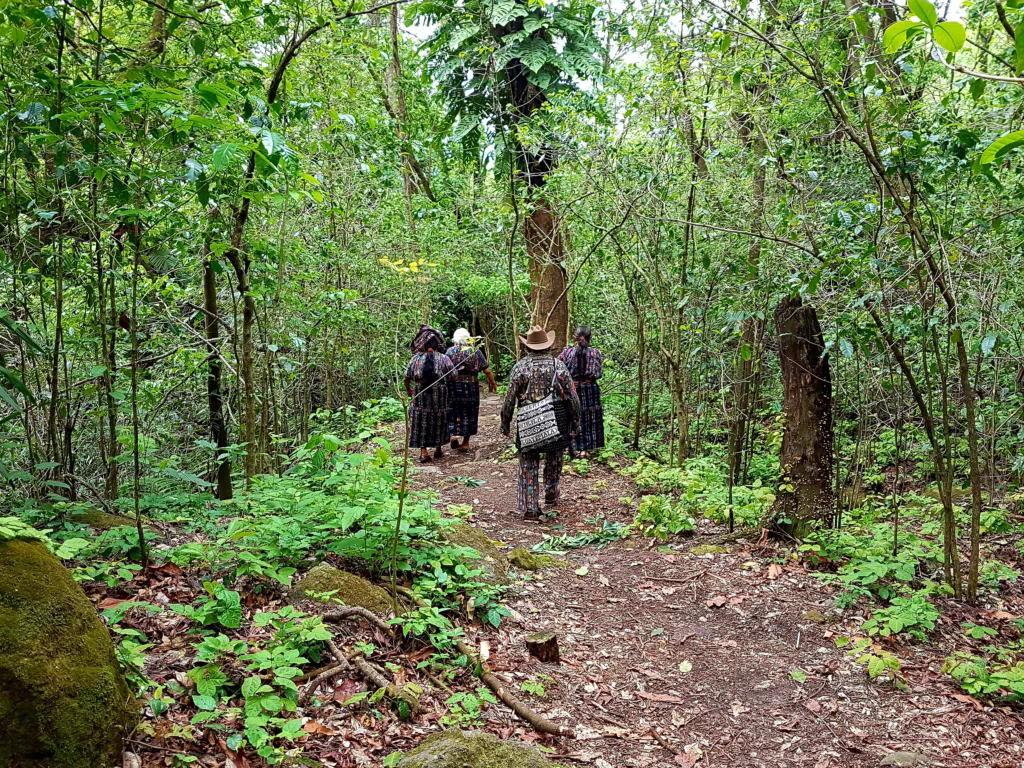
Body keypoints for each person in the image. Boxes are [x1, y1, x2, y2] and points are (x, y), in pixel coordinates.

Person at [501, 326, 580, 521]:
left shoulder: (520, 367)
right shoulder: (558, 366)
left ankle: (530, 505)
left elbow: (509, 398)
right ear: (548, 346)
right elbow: (572, 396)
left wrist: (505, 422)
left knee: (528, 461)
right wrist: (576, 420)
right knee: (554, 457)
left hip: (527, 421)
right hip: (556, 418)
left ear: (528, 347)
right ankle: (551, 491)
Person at [404, 324, 456, 463]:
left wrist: (409, 390)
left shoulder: (415, 359)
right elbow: (453, 376)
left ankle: (424, 452)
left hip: (420, 393)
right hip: (439, 393)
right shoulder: (444, 359)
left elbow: (406, 377)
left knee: (420, 420)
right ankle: (438, 449)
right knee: (439, 418)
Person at [446, 328, 498, 453]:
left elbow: (444, 369)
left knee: (452, 411)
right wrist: (493, 383)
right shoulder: (475, 352)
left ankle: (452, 435)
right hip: (471, 388)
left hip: (453, 387)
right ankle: (465, 442)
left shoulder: (450, 352)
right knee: (470, 413)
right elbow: (487, 370)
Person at [558, 325, 604, 459]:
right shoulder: (595, 353)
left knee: (571, 416)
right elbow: (599, 373)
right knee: (589, 417)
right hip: (590, 389)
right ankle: (584, 450)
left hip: (571, 388)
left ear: (575, 338)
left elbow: (559, 370)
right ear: (590, 338)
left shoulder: (566, 353)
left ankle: (570, 447)